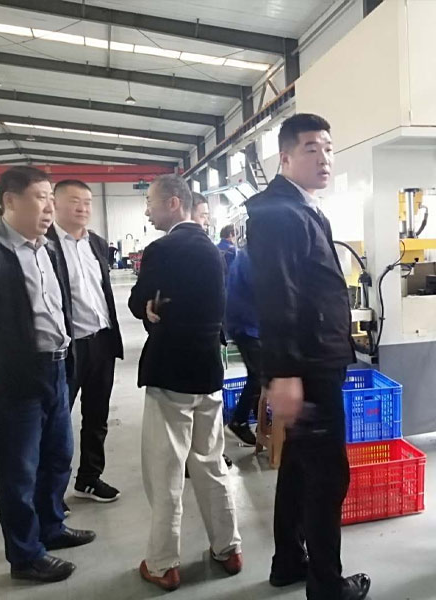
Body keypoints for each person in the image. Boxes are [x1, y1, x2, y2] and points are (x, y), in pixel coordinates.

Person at [246, 113, 370, 600]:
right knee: (327, 477)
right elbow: (277, 297)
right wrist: (284, 373)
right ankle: (326, 586)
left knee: (299, 466)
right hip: (309, 365)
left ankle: (288, 562)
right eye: (311, 149)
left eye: (328, 148)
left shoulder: (301, 207)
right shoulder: (279, 213)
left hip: (313, 360)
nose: (324, 158)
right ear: (285, 157)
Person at [0, 166, 95, 583]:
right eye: (40, 197)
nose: (49, 207)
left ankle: (50, 527)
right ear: (10, 201)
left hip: (56, 367)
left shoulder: (47, 248)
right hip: (14, 376)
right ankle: (25, 554)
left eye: (51, 197)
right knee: (18, 469)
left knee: (58, 455)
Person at [129, 173, 242, 592]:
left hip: (171, 373)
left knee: (166, 470)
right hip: (208, 371)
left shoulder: (162, 250)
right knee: (210, 463)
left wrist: (148, 306)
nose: (147, 211)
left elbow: (138, 299)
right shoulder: (213, 249)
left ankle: (162, 563)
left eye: (151, 202)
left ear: (174, 202)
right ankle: (228, 548)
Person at [47, 180, 124, 504]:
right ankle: (50, 495)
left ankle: (89, 478)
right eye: (74, 201)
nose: (82, 208)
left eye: (87, 202)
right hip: (68, 347)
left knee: (96, 416)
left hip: (101, 341)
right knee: (56, 422)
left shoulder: (96, 243)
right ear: (54, 203)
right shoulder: (45, 244)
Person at [225, 247, 261, 446]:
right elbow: (262, 289)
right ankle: (239, 421)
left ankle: (261, 418)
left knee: (260, 374)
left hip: (247, 324)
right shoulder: (253, 256)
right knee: (259, 374)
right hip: (247, 326)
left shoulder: (248, 253)